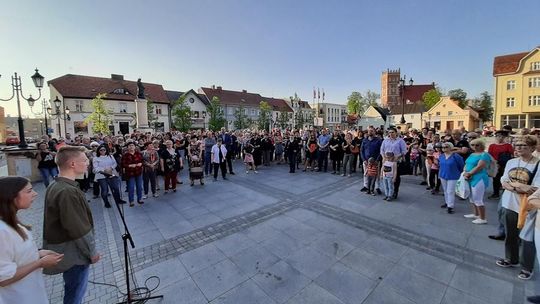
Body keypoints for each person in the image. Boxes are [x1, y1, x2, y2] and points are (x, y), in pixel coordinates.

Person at [43, 146, 100, 304]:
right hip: (73, 254)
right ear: (72, 164)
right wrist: (92, 251)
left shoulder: (56, 185)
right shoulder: (67, 191)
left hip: (68, 250)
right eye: (84, 160)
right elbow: (78, 229)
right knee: (75, 294)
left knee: (73, 290)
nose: (88, 163)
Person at [0, 176, 64, 304]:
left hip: (31, 293)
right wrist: (39, 263)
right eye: (29, 191)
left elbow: (15, 256)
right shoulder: (2, 231)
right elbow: (3, 278)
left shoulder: (11, 222)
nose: (35, 194)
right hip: (18, 298)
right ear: (11, 196)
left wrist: (38, 254)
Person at [495, 136, 538, 280]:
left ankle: (527, 267)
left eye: (523, 145)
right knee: (510, 235)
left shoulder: (537, 165)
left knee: (527, 239)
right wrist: (519, 186)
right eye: (517, 144)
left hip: (528, 208)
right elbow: (504, 182)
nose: (518, 147)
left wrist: (512, 185)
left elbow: (534, 189)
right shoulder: (511, 162)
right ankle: (511, 259)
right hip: (509, 204)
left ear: (532, 148)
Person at [462, 139, 492, 224]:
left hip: (479, 178)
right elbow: (467, 164)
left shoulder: (484, 155)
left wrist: (469, 173)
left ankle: (482, 218)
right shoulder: (472, 154)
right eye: (472, 145)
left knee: (478, 198)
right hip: (469, 176)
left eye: (477, 145)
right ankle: (476, 214)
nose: (474, 146)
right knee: (471, 197)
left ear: (482, 145)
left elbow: (480, 166)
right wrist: (464, 172)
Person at [380, 127, 407, 199]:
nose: (391, 134)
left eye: (392, 132)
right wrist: (383, 157)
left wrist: (398, 156)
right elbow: (382, 150)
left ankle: (395, 191)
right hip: (386, 161)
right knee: (386, 176)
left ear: (396, 133)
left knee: (395, 177)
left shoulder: (400, 141)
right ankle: (388, 192)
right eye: (389, 132)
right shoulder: (385, 140)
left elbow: (404, 151)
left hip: (395, 161)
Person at [438, 142, 464, 214]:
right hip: (443, 175)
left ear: (451, 147)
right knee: (445, 190)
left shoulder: (456, 156)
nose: (444, 148)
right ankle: (447, 202)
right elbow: (440, 166)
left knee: (450, 191)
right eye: (443, 147)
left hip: (453, 176)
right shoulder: (441, 156)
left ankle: (450, 206)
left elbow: (461, 165)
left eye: (446, 147)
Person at [488, 130, 514, 199]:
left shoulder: (508, 145)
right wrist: (494, 162)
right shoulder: (492, 146)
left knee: (505, 179)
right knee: (496, 179)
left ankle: (505, 194)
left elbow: (511, 155)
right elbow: (489, 155)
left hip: (505, 164)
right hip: (495, 164)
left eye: (502, 136)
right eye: (498, 136)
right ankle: (495, 193)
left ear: (504, 137)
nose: (500, 138)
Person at [122, 142, 144, 206]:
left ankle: (139, 199)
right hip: (130, 173)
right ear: (127, 147)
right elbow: (123, 164)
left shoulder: (138, 154)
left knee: (139, 187)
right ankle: (131, 201)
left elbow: (142, 161)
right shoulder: (125, 155)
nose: (131, 147)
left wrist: (141, 163)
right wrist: (129, 165)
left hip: (138, 172)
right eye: (129, 146)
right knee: (131, 187)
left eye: (132, 145)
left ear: (135, 147)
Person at [361, 127, 382, 193]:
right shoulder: (364, 140)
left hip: (375, 161)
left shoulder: (378, 140)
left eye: (372, 131)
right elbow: (361, 150)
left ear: (375, 132)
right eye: (369, 131)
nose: (370, 132)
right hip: (366, 161)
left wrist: (377, 160)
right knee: (366, 174)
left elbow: (380, 151)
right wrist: (363, 159)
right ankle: (366, 186)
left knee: (376, 174)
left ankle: (377, 187)